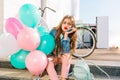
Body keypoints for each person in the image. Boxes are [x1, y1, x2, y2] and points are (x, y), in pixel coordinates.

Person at [46, 15, 77, 80]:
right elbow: (47, 44)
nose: (66, 25)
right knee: (48, 62)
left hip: (62, 57)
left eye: (69, 24)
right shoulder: (54, 31)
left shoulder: (70, 36)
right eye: (64, 22)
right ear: (61, 23)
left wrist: (66, 35)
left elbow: (66, 51)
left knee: (67, 56)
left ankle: (63, 78)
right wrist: (52, 56)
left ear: (72, 26)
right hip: (53, 56)